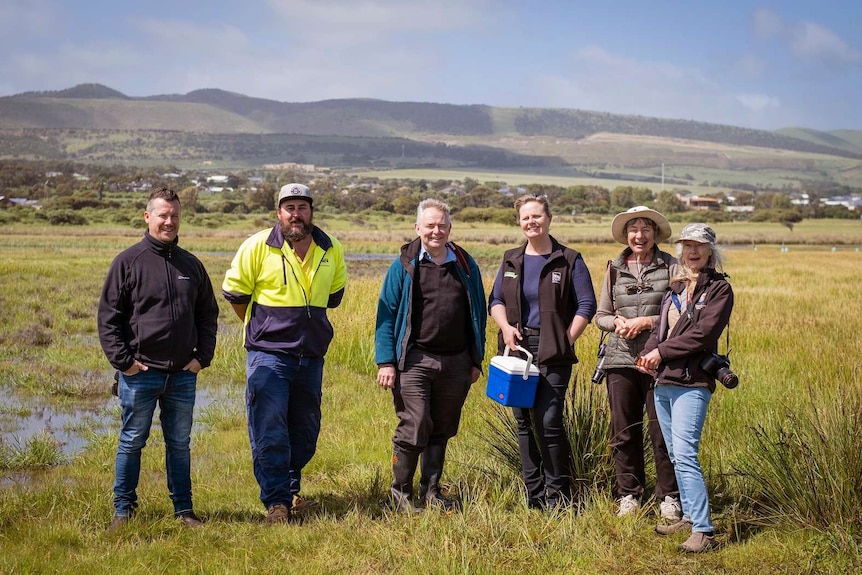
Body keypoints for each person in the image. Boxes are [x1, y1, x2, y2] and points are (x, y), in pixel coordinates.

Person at [222, 183, 347, 524]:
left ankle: (291, 490)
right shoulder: (256, 247)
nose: (296, 214)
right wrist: (262, 330)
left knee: (305, 431)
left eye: (302, 207)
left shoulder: (330, 247)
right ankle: (276, 502)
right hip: (269, 356)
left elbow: (333, 297)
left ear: (311, 211)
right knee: (270, 428)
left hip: (311, 357)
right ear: (278, 213)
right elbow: (235, 295)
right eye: (289, 207)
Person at [98, 187, 219, 531]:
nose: (169, 221)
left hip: (182, 374)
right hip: (140, 373)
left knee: (179, 443)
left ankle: (184, 511)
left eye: (175, 216)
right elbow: (108, 318)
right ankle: (123, 512)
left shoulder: (191, 265)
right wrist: (125, 364)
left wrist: (201, 358)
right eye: (163, 215)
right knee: (132, 441)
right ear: (147, 217)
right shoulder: (128, 262)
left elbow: (208, 315)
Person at [375, 198, 487, 512]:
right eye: (430, 226)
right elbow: (386, 315)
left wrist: (476, 359)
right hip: (414, 360)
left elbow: (477, 311)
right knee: (415, 424)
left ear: (449, 228)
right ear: (418, 228)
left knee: (442, 428)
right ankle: (400, 495)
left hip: (456, 361)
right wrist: (386, 361)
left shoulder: (465, 264)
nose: (436, 231)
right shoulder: (404, 265)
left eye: (441, 225)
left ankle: (432, 493)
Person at [489, 194, 597, 510]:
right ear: (519, 222)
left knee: (549, 421)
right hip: (517, 350)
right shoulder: (511, 258)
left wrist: (565, 339)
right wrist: (506, 328)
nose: (531, 222)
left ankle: (559, 497)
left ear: (549, 218)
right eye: (526, 218)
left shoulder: (569, 259)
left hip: (554, 353)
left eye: (537, 216)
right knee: (523, 422)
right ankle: (534, 496)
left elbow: (586, 305)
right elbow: (495, 300)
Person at [637, 223, 734, 553]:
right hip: (663, 380)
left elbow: (702, 336)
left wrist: (659, 352)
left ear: (710, 250)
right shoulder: (675, 287)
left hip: (692, 382)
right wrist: (647, 354)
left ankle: (704, 531)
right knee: (677, 455)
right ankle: (691, 517)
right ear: (680, 249)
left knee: (687, 454)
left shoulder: (719, 289)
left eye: (699, 245)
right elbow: (659, 327)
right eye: (687, 245)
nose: (692, 251)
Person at [594, 206, 681, 519]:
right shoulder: (615, 267)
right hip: (619, 359)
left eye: (646, 229)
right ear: (626, 234)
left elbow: (681, 315)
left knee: (662, 432)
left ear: (655, 233)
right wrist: (617, 323)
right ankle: (629, 495)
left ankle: (669, 497)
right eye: (633, 229)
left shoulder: (672, 265)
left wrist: (646, 321)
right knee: (624, 431)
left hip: (660, 360)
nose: (639, 235)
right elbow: (600, 316)